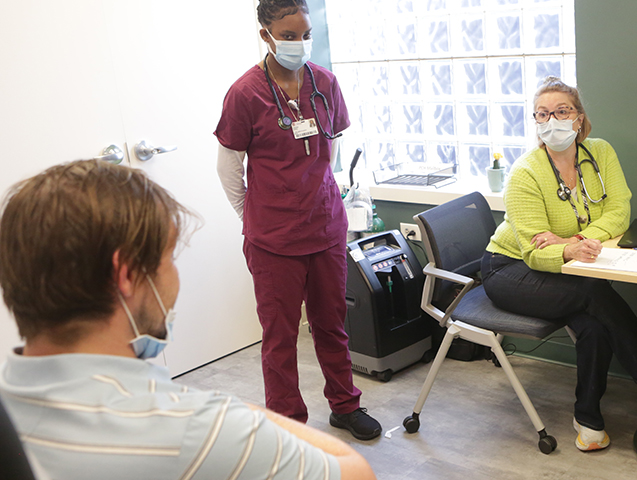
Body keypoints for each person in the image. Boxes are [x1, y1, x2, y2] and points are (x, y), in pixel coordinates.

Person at [0, 159, 375, 480]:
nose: (174, 278)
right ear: (128, 275)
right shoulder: (198, 429)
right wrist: (246, 419)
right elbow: (356, 472)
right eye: (168, 259)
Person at [480, 76, 637, 452]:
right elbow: (535, 250)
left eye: (562, 111)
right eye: (542, 114)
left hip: (565, 265)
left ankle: (587, 419)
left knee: (594, 324)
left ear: (580, 118)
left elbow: (620, 212)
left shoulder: (600, 153)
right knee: (592, 291)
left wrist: (575, 241)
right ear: (535, 122)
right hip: (508, 269)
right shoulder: (524, 173)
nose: (552, 120)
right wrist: (569, 251)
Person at [214, 0, 381, 440]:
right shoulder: (245, 93)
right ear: (266, 34)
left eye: (304, 33)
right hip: (273, 239)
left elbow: (334, 145)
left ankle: (345, 406)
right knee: (280, 337)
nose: (299, 43)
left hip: (325, 228)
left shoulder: (324, 83)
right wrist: (254, 217)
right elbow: (228, 167)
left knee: (332, 325)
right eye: (288, 35)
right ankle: (289, 426)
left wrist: (327, 199)